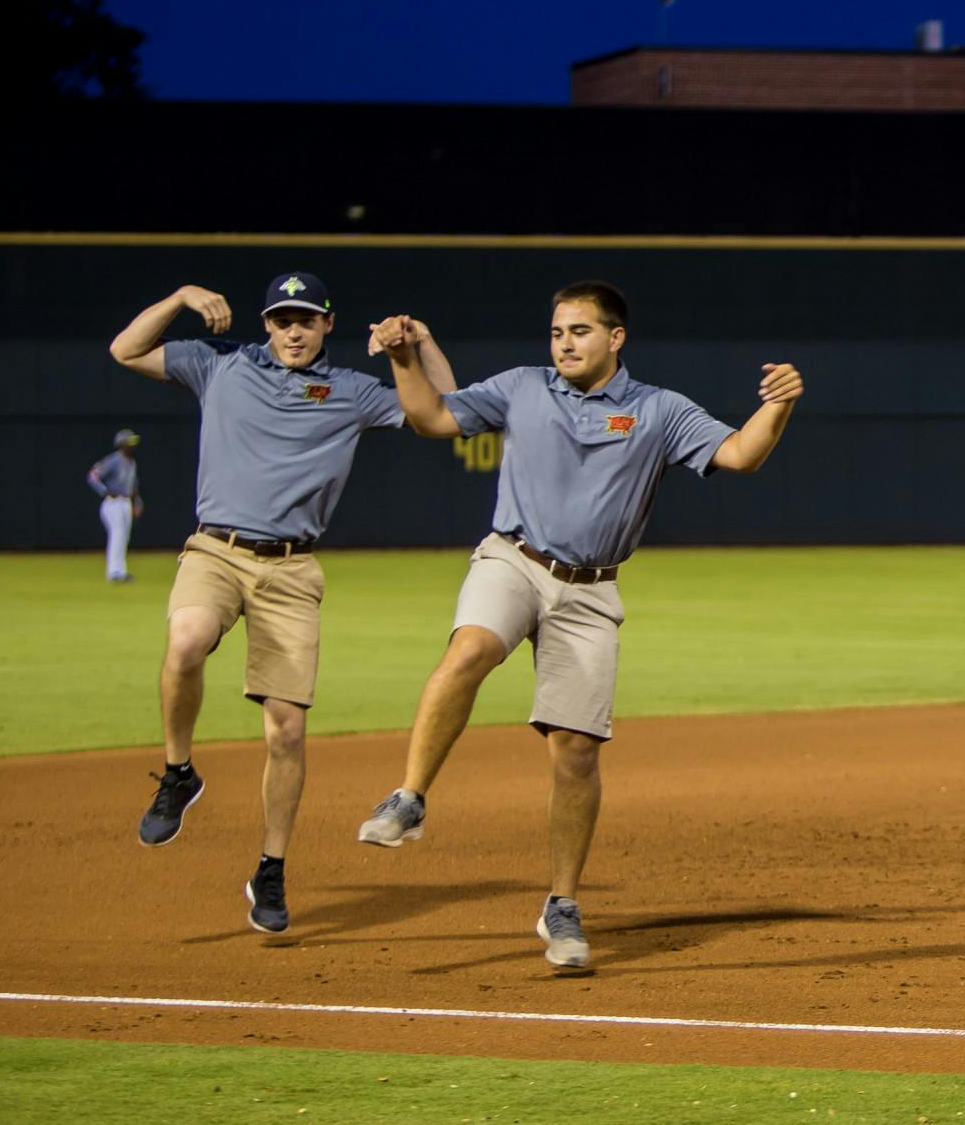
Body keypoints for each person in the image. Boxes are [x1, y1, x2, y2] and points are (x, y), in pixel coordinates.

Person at [355, 281, 802, 971]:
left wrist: (778, 409)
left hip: (590, 590)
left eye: (580, 331)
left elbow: (742, 455)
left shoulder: (658, 410)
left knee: (576, 753)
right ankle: (409, 797)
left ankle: (561, 904)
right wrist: (402, 357)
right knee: (470, 648)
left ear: (615, 338)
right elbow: (433, 420)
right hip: (514, 558)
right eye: (558, 331)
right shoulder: (523, 387)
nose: (564, 342)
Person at [108, 274, 455, 935]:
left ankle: (270, 868)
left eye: (305, 319)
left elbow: (447, 410)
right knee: (185, 640)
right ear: (266, 324)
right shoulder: (221, 366)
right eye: (280, 319)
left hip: (292, 569)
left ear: (328, 325)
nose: (292, 331)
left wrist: (420, 342)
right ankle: (179, 773)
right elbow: (126, 350)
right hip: (216, 548)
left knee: (286, 730)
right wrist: (180, 297)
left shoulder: (352, 391)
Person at [86, 428, 143, 582]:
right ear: (122, 444)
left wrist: (137, 502)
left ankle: (121, 571)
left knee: (123, 537)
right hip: (113, 503)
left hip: (125, 502)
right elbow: (93, 475)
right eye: (129, 442)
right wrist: (104, 491)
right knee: (117, 534)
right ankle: (114, 572)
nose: (132, 445)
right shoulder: (114, 460)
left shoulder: (131, 463)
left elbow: (133, 485)